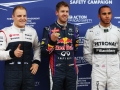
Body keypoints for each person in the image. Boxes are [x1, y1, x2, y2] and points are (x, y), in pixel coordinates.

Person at [41, 1, 80, 90]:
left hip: (71, 70)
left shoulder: (74, 28)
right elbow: (43, 53)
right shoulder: (49, 29)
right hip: (56, 70)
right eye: (62, 11)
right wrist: (52, 41)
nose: (65, 14)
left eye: (67, 11)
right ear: (57, 12)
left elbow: (75, 49)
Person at [0, 5, 40, 90]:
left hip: (28, 74)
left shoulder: (32, 31)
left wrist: (36, 62)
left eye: (24, 16)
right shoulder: (5, 32)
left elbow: (37, 48)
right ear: (13, 17)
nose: (22, 18)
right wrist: (12, 53)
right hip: (11, 75)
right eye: (19, 16)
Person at [83, 5, 120, 90]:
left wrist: (114, 63)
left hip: (114, 71)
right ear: (99, 16)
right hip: (98, 72)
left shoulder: (118, 31)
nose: (107, 16)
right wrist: (97, 63)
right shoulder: (91, 31)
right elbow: (87, 53)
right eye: (104, 14)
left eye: (109, 13)